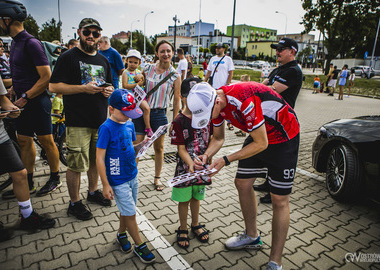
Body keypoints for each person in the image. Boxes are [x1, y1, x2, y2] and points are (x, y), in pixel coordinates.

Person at [187, 81, 300, 270]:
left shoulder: (243, 100)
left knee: (279, 199)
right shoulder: (217, 104)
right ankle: (251, 236)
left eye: (207, 116)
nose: (207, 120)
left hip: (283, 137)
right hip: (260, 134)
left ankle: (275, 262)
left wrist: (225, 159)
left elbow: (261, 144)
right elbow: (219, 138)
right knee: (242, 183)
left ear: (216, 102)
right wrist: (207, 155)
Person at [49, 18, 114, 220]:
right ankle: (74, 203)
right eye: (88, 32)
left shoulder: (103, 60)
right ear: (79, 32)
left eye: (96, 33)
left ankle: (92, 192)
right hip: (77, 122)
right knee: (76, 165)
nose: (91, 37)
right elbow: (53, 87)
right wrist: (82, 89)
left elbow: (110, 85)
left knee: (96, 160)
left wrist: (109, 91)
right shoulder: (69, 57)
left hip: (100, 121)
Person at [0, 0, 61, 198]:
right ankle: (28, 182)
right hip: (21, 101)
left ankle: (55, 177)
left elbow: (46, 77)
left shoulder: (31, 43)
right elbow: (22, 73)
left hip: (37, 101)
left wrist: (26, 96)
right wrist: (13, 91)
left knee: (46, 141)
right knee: (24, 141)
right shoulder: (16, 43)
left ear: (7, 19)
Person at [96, 89, 156, 263]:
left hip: (132, 175)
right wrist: (105, 184)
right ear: (111, 109)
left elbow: (130, 146)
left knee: (127, 210)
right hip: (117, 179)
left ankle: (121, 234)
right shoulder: (106, 128)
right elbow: (99, 158)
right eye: (125, 113)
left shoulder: (129, 124)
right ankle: (140, 245)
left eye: (130, 113)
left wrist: (141, 145)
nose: (128, 117)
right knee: (130, 213)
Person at [0, 79, 55, 241]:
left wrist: (12, 109)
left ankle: (27, 216)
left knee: (20, 173)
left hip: (1, 136)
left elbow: (3, 99)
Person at [258, 38, 303, 203]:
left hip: (283, 121)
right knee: (269, 152)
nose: (277, 52)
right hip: (271, 119)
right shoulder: (279, 69)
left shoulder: (293, 71)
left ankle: (274, 191)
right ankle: (267, 183)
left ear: (292, 52)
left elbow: (272, 91)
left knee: (277, 156)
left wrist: (260, 88)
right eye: (277, 48)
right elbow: (262, 85)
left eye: (281, 49)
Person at [132, 40, 181, 191]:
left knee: (159, 148)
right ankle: (132, 178)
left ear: (172, 53)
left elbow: (177, 99)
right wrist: (136, 78)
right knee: (137, 147)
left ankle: (157, 178)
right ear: (157, 53)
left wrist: (175, 122)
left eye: (168, 51)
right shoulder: (147, 68)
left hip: (160, 114)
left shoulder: (175, 76)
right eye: (162, 51)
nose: (165, 54)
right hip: (141, 113)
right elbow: (136, 81)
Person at [170, 77, 212, 249]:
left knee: (197, 197)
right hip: (185, 169)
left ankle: (195, 224)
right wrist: (191, 164)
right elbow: (180, 150)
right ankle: (183, 227)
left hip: (201, 168)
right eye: (191, 97)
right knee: (184, 199)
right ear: (183, 96)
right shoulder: (179, 121)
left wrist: (207, 159)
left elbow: (213, 138)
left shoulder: (207, 114)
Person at [121, 49, 153, 137]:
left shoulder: (139, 72)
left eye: (135, 63)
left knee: (146, 109)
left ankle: (147, 127)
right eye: (130, 62)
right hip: (130, 96)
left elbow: (143, 83)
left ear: (139, 63)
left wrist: (141, 80)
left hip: (140, 96)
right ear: (126, 61)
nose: (132, 64)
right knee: (125, 114)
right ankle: (124, 129)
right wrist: (136, 85)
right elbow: (125, 86)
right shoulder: (125, 72)